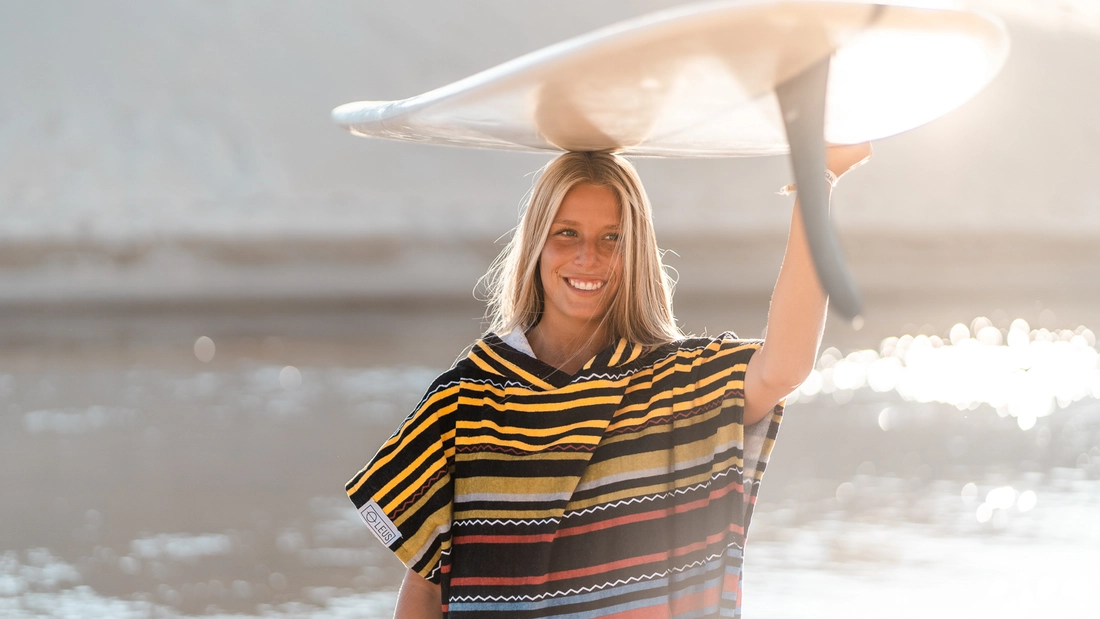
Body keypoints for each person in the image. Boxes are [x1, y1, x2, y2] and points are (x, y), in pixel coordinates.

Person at [347, 143, 872, 618]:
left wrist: (816, 178)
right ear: (536, 244)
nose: (587, 257)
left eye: (611, 238)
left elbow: (785, 365)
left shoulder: (672, 385)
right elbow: (426, 587)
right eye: (566, 233)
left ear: (637, 251)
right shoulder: (467, 401)